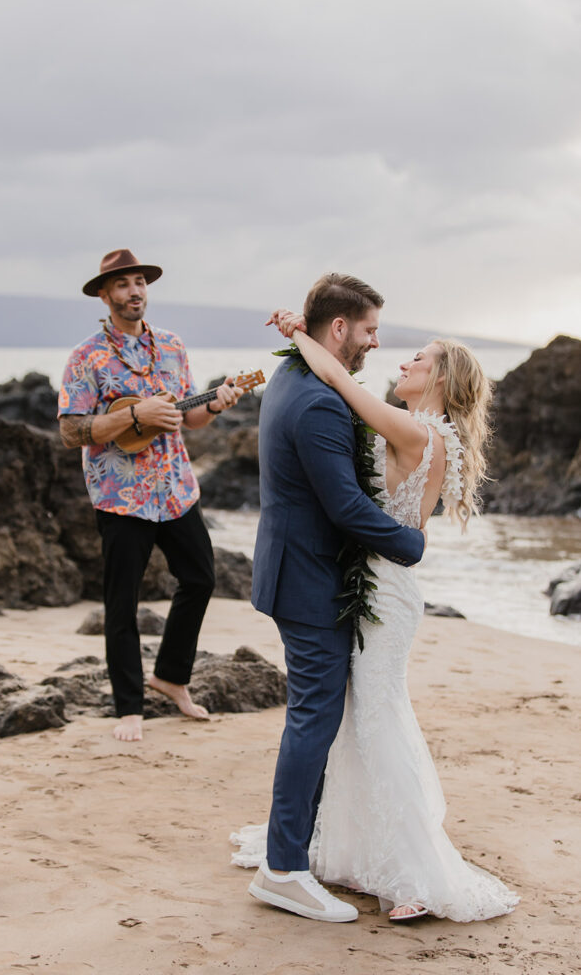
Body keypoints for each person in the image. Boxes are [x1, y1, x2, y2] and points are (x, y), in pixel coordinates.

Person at [233, 296, 520, 923]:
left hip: (385, 592)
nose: (400, 356)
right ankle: (342, 847)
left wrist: (296, 333)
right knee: (351, 718)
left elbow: (338, 378)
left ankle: (410, 869)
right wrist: (301, 334)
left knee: (379, 717)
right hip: (356, 581)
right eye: (379, 336)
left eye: (419, 356)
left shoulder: (417, 430)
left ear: (440, 379)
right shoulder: (399, 418)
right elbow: (338, 386)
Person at [243, 274, 426, 923]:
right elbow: (344, 505)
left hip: (295, 568)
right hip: (307, 578)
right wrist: (410, 546)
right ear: (340, 328)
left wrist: (296, 327)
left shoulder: (296, 377)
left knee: (314, 713)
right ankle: (283, 870)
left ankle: (298, 846)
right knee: (312, 717)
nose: (377, 341)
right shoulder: (319, 403)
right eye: (369, 329)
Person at [58, 248, 244, 743]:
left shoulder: (173, 346)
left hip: (175, 487)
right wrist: (133, 418)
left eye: (139, 282)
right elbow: (72, 430)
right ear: (105, 294)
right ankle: (128, 708)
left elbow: (189, 415)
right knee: (122, 602)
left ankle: (171, 677)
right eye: (122, 285)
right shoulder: (86, 357)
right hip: (121, 496)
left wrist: (217, 404)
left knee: (201, 579)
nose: (134, 291)